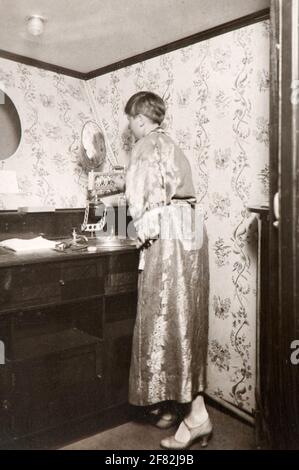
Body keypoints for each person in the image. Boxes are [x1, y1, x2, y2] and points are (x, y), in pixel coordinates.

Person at [116, 91, 212, 449]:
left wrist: (133, 232)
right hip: (190, 230)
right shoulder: (171, 143)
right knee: (186, 320)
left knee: (166, 320)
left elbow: (140, 202)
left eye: (130, 121)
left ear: (140, 119)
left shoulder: (145, 146)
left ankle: (196, 416)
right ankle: (177, 403)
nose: (130, 128)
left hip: (169, 237)